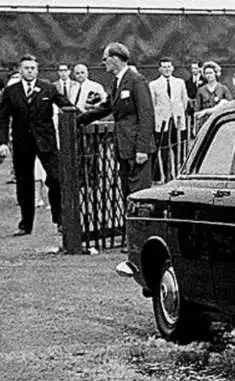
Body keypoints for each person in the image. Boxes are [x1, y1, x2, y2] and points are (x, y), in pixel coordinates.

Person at [0, 54, 72, 236]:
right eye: (26, 68)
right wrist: (2, 142)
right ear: (20, 70)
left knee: (55, 179)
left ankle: (59, 220)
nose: (30, 71)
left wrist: (80, 117)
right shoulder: (11, 91)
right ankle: (26, 224)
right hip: (22, 143)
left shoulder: (48, 88)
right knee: (24, 184)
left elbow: (66, 106)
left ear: (37, 70)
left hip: (46, 142)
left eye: (33, 68)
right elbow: (2, 118)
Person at [77, 42, 156, 199]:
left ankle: (139, 224)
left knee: (139, 195)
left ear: (115, 59)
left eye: (105, 59)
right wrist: (79, 119)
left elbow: (146, 115)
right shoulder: (117, 82)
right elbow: (106, 107)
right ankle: (128, 224)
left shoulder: (136, 80)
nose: (103, 63)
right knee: (127, 192)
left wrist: (142, 149)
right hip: (124, 147)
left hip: (136, 148)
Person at [149, 57, 189, 183]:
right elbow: (152, 103)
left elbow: (185, 100)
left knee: (180, 148)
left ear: (173, 68)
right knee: (164, 149)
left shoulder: (180, 82)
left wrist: (179, 112)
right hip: (162, 122)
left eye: (169, 67)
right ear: (160, 69)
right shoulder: (154, 84)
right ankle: (166, 176)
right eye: (164, 67)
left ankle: (180, 174)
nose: (167, 69)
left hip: (177, 120)